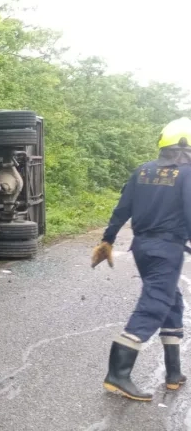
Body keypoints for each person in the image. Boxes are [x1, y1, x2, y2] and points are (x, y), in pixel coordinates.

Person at [92, 116, 191, 401]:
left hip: (143, 248)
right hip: (166, 250)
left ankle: (173, 373)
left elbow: (122, 209)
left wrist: (107, 240)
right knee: (154, 306)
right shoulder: (187, 174)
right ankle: (117, 375)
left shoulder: (143, 171)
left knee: (171, 300)